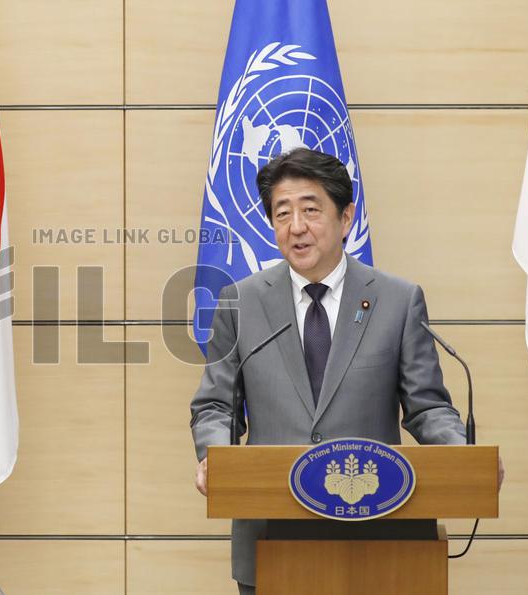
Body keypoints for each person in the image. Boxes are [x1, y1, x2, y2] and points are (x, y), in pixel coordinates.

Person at [189, 148, 471, 595]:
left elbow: (427, 407)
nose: (296, 227)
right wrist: (215, 457)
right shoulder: (240, 304)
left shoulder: (397, 301)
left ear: (345, 218)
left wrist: (462, 454)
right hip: (272, 537)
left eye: (310, 210)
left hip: (381, 537)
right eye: (282, 213)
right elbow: (214, 407)